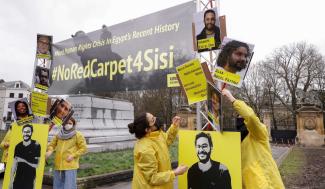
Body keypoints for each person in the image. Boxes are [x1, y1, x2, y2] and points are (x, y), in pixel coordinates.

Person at [221, 88, 285, 189]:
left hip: (267, 185)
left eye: (241, 115)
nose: (239, 118)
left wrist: (232, 99)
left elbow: (250, 116)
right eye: (237, 116)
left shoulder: (259, 133)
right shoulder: (238, 140)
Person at [128, 113, 188, 189]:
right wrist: (175, 172)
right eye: (153, 120)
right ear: (147, 129)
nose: (156, 119)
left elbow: (166, 141)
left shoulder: (156, 134)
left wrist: (174, 126)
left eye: (153, 116)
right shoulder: (145, 149)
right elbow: (152, 178)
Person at [46, 117, 87, 189]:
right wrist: (49, 150)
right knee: (57, 186)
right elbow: (52, 145)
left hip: (70, 165)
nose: (67, 125)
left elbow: (83, 148)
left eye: (70, 123)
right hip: (58, 165)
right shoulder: (59, 135)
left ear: (73, 124)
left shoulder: (78, 135)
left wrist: (73, 155)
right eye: (66, 123)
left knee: (69, 186)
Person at [10, 124, 41, 189]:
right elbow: (14, 165)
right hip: (18, 179)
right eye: (24, 132)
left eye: (28, 132)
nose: (26, 134)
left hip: (29, 180)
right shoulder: (18, 146)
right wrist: (10, 182)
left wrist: (23, 160)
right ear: (22, 132)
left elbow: (37, 165)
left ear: (31, 132)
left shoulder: (36, 145)